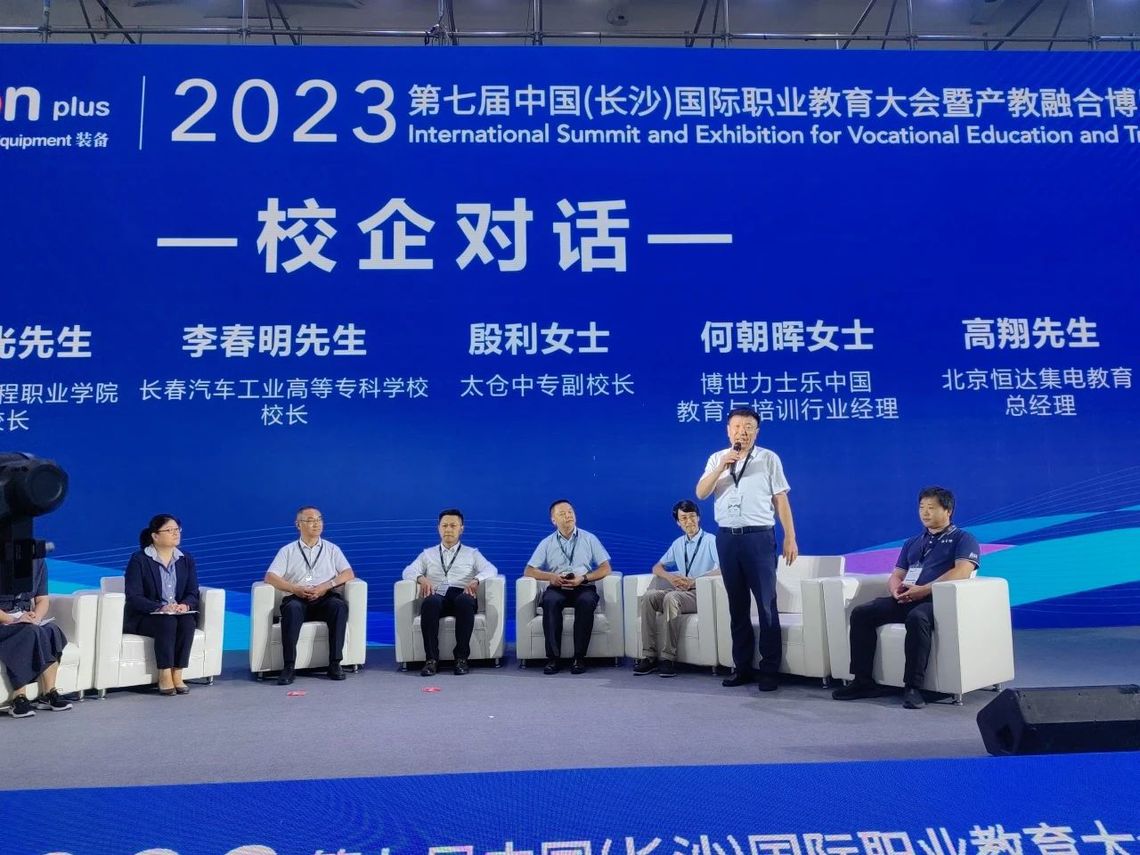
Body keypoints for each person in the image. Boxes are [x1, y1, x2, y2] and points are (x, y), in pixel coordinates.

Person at [832, 486, 980, 709]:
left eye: (931, 507)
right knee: (862, 613)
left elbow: (962, 571)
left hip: (937, 601)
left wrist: (925, 589)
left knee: (917, 618)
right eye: (922, 507)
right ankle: (862, 681)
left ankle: (913, 687)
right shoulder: (913, 542)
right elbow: (897, 574)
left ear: (948, 510)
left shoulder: (963, 538)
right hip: (907, 598)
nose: (925, 512)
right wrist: (895, 590)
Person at [695, 406, 798, 693]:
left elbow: (781, 499)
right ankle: (742, 667)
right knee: (737, 604)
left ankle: (769, 669)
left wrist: (790, 537)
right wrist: (721, 467)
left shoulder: (768, 458)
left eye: (749, 427)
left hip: (759, 538)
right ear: (728, 431)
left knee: (765, 604)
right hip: (728, 538)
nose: (743, 431)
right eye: (737, 427)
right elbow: (701, 493)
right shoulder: (717, 458)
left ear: (757, 431)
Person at [264, 506, 355, 685]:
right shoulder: (288, 551)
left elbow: (348, 573)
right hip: (298, 598)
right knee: (292, 608)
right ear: (298, 524)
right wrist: (294, 588)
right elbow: (270, 577)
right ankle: (289, 666)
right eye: (311, 520)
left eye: (319, 519)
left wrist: (325, 586)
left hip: (324, 598)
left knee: (339, 606)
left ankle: (335, 663)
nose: (317, 524)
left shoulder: (332, 549)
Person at [402, 508, 499, 676]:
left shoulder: (472, 553)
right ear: (438, 528)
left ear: (461, 529)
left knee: (465, 600)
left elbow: (491, 569)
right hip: (438, 595)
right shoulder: (428, 554)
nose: (448, 529)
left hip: (461, 594)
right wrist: (421, 579)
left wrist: (476, 580)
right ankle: (431, 659)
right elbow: (408, 571)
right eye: (444, 525)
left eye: (453, 525)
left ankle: (461, 658)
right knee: (430, 602)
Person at [523, 499, 613, 675]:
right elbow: (529, 570)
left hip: (583, 585)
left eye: (570, 512)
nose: (568, 516)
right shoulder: (547, 542)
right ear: (553, 520)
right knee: (550, 601)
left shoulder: (589, 538)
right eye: (562, 513)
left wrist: (583, 578)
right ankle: (553, 659)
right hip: (558, 586)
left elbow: (606, 568)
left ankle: (579, 658)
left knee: (586, 601)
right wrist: (551, 577)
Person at [632, 500, 720, 678]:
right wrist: (670, 577)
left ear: (699, 518)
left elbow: (722, 568)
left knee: (671, 598)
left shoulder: (711, 540)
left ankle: (667, 658)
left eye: (692, 516)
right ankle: (649, 656)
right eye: (684, 518)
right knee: (649, 596)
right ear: (678, 523)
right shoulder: (678, 543)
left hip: (700, 593)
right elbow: (657, 567)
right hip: (681, 591)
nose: (689, 521)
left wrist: (694, 581)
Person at [124, 514, 200, 696]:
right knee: (167, 622)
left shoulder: (186, 559)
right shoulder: (140, 559)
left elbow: (193, 592)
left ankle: (177, 673)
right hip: (146, 616)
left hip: (176, 614)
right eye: (169, 530)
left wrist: (185, 605)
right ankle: (164, 674)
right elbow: (133, 596)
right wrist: (160, 608)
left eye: (177, 529)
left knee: (187, 622)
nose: (175, 533)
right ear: (155, 536)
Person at [0, 557, 73, 717]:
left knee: (52, 630)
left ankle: (48, 694)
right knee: (28, 632)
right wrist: (13, 619)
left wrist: (36, 617)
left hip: (24, 618)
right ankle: (19, 697)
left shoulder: (38, 561)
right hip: (4, 620)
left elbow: (42, 600)